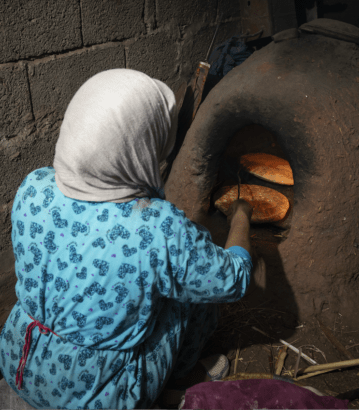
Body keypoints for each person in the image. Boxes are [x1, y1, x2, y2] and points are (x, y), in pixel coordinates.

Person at [0, 69, 255, 409]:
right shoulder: (156, 228)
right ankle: (181, 374)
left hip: (19, 361)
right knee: (192, 288)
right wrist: (242, 216)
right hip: (95, 395)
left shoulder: (34, 187)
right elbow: (233, 280)